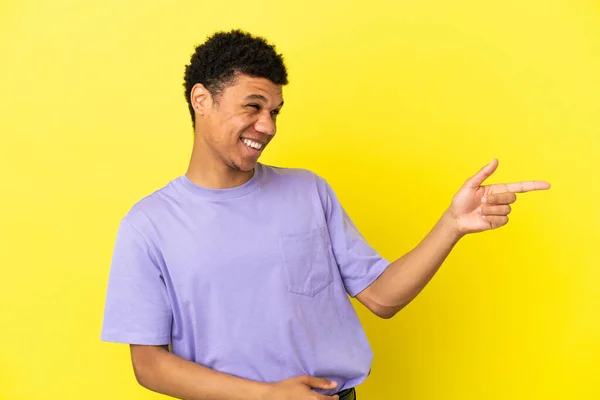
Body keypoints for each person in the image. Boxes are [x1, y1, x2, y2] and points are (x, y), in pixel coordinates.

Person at [100, 29, 550, 400]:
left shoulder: (308, 191)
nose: (268, 126)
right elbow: (149, 365)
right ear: (202, 100)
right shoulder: (148, 225)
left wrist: (451, 225)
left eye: (275, 111)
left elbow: (382, 298)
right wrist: (269, 396)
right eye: (252, 106)